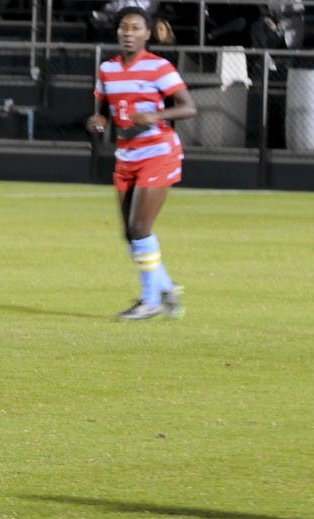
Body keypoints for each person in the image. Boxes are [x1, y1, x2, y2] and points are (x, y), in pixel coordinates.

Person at [86, 6, 197, 320]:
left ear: (148, 33)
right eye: (124, 27)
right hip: (126, 154)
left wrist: (155, 115)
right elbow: (102, 112)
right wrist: (97, 122)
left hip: (158, 152)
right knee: (130, 234)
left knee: (139, 228)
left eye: (135, 27)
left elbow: (189, 107)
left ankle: (150, 301)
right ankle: (165, 287)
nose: (128, 33)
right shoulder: (107, 68)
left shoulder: (159, 67)